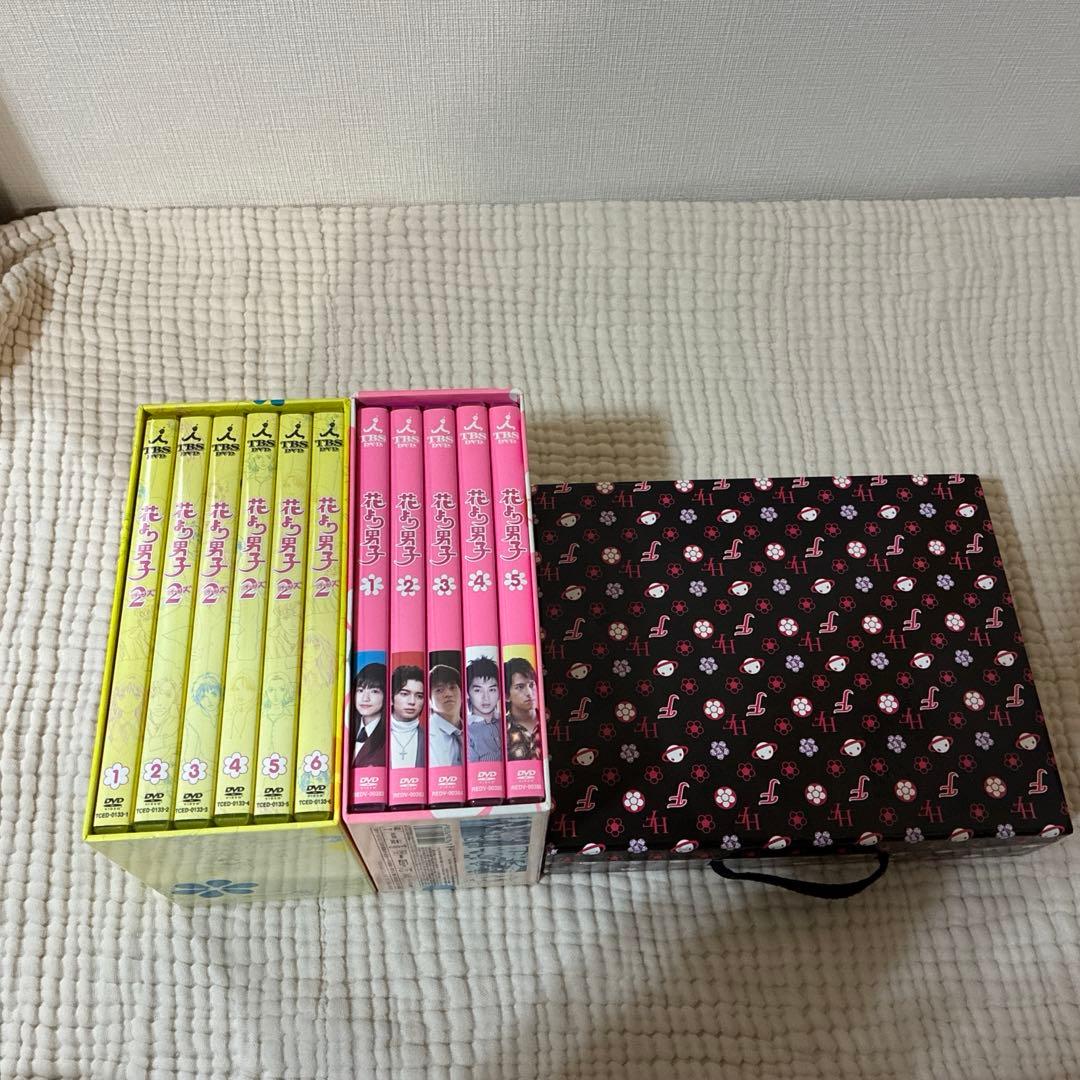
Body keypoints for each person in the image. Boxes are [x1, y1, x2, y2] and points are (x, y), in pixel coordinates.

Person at [465, 656, 503, 762]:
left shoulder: (507, 722)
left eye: (492, 690)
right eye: (478, 690)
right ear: (467, 693)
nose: (486, 698)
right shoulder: (467, 731)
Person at [389, 664, 426, 768]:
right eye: (404, 694)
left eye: (419, 696)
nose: (412, 701)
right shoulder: (374, 737)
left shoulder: (431, 739)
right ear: (391, 698)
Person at [427, 664, 464, 767]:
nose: (448, 694)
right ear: (429, 701)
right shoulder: (425, 736)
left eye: (452, 687)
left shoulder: (475, 728)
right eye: (439, 690)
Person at [505, 657, 540, 760]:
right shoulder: (500, 730)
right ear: (506, 696)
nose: (529, 693)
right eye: (520, 687)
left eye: (531, 685)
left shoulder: (547, 721)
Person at [352, 662, 386, 768]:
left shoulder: (392, 735)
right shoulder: (346, 728)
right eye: (360, 690)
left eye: (374, 691)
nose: (365, 698)